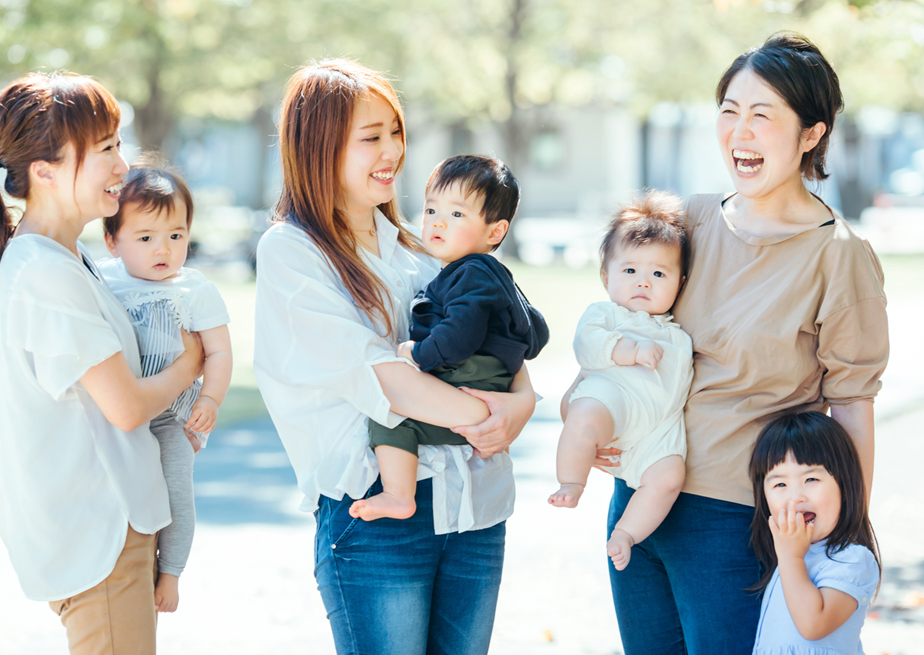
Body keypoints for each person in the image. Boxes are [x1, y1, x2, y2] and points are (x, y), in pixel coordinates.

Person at [569, 33, 888, 653]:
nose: (740, 132)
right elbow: (623, 325)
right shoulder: (688, 221)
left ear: (811, 134)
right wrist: (584, 408)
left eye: (762, 115)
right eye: (729, 111)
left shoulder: (838, 257)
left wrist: (842, 538)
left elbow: (852, 403)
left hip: (740, 519)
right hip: (639, 501)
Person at [252, 59, 537, 655]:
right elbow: (387, 382)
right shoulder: (293, 253)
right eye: (371, 137)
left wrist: (525, 403)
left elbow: (495, 332)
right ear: (320, 147)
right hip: (380, 519)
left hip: (471, 507)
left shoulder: (418, 244)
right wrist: (491, 416)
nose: (393, 151)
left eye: (396, 131)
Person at [0, 72, 203, 654]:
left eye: (120, 144)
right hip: (99, 537)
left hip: (110, 529)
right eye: (106, 149)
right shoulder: (43, 273)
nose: (123, 165)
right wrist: (192, 361)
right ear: (44, 171)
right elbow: (125, 406)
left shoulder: (66, 256)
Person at [350, 154, 549, 522]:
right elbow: (536, 332)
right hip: (488, 383)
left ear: (495, 232)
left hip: (469, 380)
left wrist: (417, 353)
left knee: (391, 415)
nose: (438, 221)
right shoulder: (493, 275)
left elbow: (459, 335)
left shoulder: (469, 273)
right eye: (430, 210)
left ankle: (397, 495)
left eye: (457, 214)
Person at [99, 160, 233, 613]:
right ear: (111, 241)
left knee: (177, 493)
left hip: (171, 419)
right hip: (118, 413)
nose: (164, 249)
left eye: (176, 235)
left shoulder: (193, 289)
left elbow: (218, 352)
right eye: (146, 237)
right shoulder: (102, 281)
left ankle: (171, 572)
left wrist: (211, 397)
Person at [550, 192, 693, 573]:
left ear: (681, 282)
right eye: (630, 271)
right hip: (612, 398)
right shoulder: (606, 315)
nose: (643, 282)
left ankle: (626, 533)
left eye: (658, 274)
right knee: (584, 413)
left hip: (656, 430)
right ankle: (571, 482)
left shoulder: (679, 334)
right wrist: (629, 350)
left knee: (668, 476)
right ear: (606, 277)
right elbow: (587, 345)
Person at [749, 411, 880, 654]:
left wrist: (791, 558)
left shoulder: (852, 559)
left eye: (811, 479)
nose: (796, 496)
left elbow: (813, 625)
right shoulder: (791, 557)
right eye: (780, 484)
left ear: (845, 483)